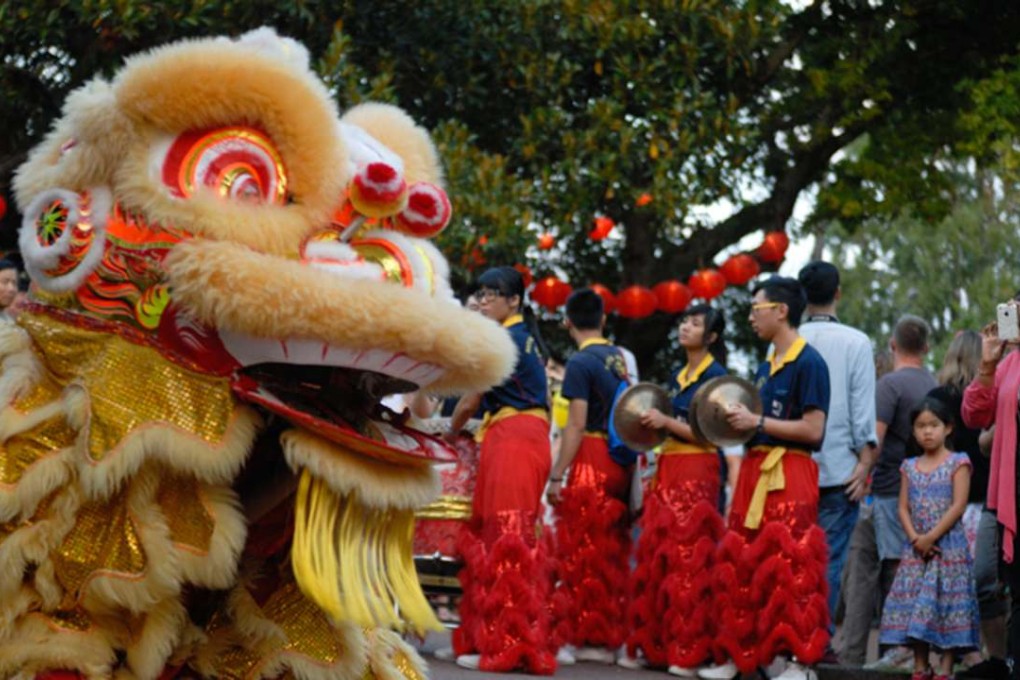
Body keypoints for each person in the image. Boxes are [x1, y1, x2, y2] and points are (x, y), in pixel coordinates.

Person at [703, 276, 831, 680]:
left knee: (791, 563)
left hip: (789, 469)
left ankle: (799, 662)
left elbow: (813, 431)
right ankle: (739, 655)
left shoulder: (810, 362)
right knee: (742, 558)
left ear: (782, 310)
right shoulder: (763, 366)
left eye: (757, 308)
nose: (751, 317)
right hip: (756, 467)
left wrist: (757, 420)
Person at [445, 266, 557, 674]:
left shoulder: (503, 339)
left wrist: (449, 430)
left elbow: (469, 402)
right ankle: (500, 640)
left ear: (515, 301)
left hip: (514, 438)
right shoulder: (525, 340)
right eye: (483, 292)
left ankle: (506, 646)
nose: (486, 299)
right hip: (516, 436)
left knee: (507, 538)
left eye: (495, 293)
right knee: (510, 536)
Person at [621, 303, 728, 676]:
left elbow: (710, 434)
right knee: (662, 554)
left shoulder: (717, 377)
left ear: (712, 336)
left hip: (698, 468)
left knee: (691, 558)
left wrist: (665, 421)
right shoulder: (680, 373)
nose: (685, 327)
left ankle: (690, 649)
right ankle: (660, 645)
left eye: (695, 323)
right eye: (685, 321)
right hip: (670, 466)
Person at [842, 315, 938, 669]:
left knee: (894, 567)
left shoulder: (890, 385)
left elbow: (875, 439)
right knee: (872, 560)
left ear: (893, 346)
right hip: (923, 490)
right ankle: (854, 651)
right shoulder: (933, 382)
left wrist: (861, 475)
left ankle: (898, 647)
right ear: (926, 347)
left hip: (887, 489)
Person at [546, 288, 632, 664]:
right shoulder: (617, 358)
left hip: (590, 459)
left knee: (579, 549)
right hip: (618, 460)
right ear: (603, 319)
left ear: (567, 323)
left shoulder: (580, 363)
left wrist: (556, 475)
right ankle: (604, 638)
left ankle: (578, 635)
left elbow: (575, 424)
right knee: (608, 550)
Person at [797, 261, 878, 633]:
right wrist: (866, 463)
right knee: (826, 561)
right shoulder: (856, 341)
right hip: (840, 468)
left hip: (790, 468)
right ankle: (813, 641)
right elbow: (863, 413)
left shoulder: (788, 339)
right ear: (838, 293)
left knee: (789, 557)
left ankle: (783, 642)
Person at [878, 395, 980, 679]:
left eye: (933, 425)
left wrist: (931, 536)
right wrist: (915, 539)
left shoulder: (958, 462)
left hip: (948, 550)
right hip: (917, 552)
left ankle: (946, 668)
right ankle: (920, 666)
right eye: (921, 426)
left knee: (948, 605)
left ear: (947, 428)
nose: (927, 431)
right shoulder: (909, 466)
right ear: (913, 431)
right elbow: (902, 506)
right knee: (915, 606)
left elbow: (958, 505)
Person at [930, 331, 1009, 679]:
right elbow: (981, 430)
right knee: (982, 582)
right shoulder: (996, 378)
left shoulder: (937, 397)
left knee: (965, 584)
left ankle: (975, 655)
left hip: (964, 504)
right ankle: (996, 658)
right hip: (985, 499)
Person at [961, 299, 1020, 680]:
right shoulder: (1008, 363)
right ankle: (1005, 664)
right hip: (1008, 492)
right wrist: (987, 363)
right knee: (995, 581)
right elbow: (974, 416)